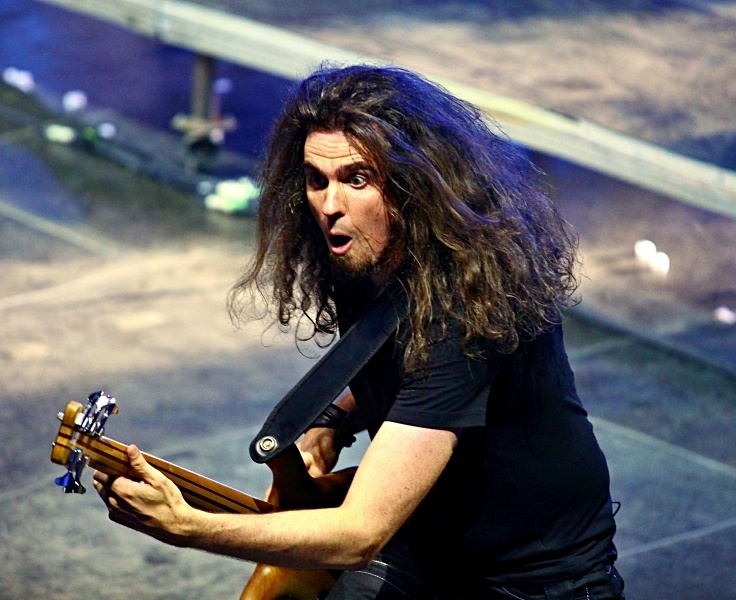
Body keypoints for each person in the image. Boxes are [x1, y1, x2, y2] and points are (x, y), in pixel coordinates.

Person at [93, 64, 625, 600]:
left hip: (532, 580)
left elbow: (358, 535)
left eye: (357, 179)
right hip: (430, 536)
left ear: (415, 185)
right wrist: (334, 418)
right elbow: (403, 364)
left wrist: (188, 526)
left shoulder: (462, 310)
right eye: (316, 180)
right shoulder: (362, 256)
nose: (330, 206)